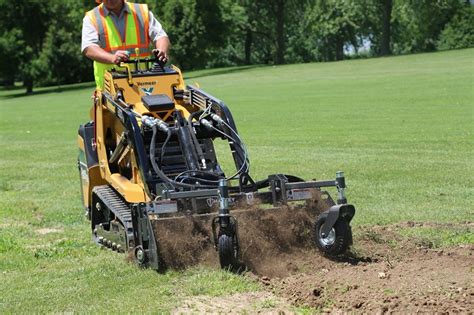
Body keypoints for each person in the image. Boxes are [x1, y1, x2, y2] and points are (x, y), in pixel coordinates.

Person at [82, 0, 170, 90]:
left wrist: (162, 50)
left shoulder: (141, 11)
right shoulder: (92, 17)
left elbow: (160, 35)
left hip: (144, 83)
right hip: (110, 89)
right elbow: (89, 48)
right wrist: (112, 58)